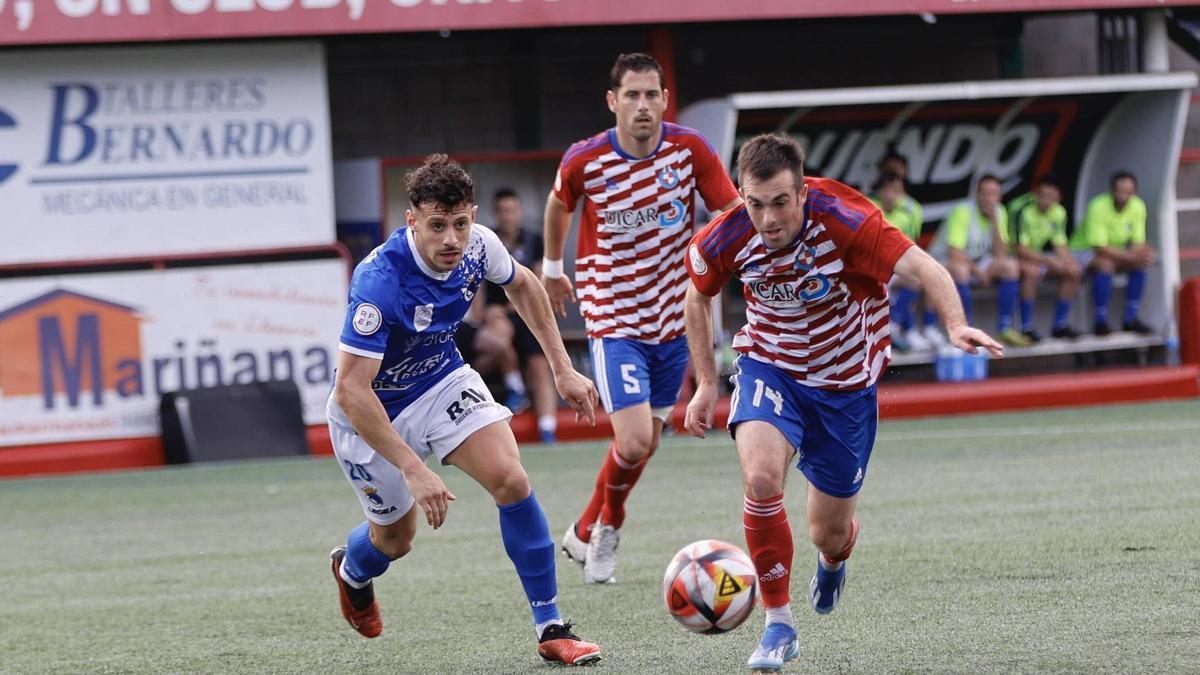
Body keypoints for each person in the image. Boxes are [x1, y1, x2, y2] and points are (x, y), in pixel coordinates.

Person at [683, 133, 1003, 672]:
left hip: (845, 386)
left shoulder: (847, 219)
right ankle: (779, 624)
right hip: (770, 366)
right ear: (742, 195)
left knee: (826, 532)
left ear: (803, 192)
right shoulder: (725, 235)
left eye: (781, 202)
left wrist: (955, 322)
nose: (768, 219)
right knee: (761, 481)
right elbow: (697, 295)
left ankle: (835, 557)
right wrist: (707, 383)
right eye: (755, 203)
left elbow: (925, 267)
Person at [326, 154, 602, 665]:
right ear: (412, 220)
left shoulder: (479, 245)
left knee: (512, 480)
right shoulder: (380, 280)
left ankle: (551, 626)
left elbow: (522, 284)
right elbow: (351, 391)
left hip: (441, 381)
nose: (451, 239)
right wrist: (412, 468)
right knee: (395, 541)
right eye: (437, 226)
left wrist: (562, 367)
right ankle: (353, 571)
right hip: (372, 415)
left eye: (460, 223)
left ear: (472, 216)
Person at [543, 52, 741, 584]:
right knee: (632, 441)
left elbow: (730, 211)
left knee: (645, 444)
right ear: (613, 102)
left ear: (664, 100)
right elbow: (559, 203)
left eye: (652, 94)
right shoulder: (586, 160)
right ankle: (610, 525)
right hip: (613, 314)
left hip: (675, 316)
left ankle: (586, 527)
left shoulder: (690, 149)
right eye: (632, 95)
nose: (643, 105)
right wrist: (551, 265)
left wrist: (729, 256)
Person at [482, 187, 559, 443]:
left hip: (525, 312)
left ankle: (548, 429)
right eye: (502, 211)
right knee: (498, 335)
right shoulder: (487, 239)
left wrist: (529, 308)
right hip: (497, 316)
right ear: (495, 213)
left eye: (512, 210)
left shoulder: (533, 239)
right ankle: (515, 386)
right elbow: (479, 285)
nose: (507, 216)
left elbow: (537, 281)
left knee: (540, 367)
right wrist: (482, 314)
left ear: (520, 212)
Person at [929, 174, 1031, 347]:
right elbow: (954, 253)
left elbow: (1001, 253)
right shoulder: (963, 211)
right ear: (977, 195)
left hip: (976, 263)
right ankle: (966, 328)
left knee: (1011, 267)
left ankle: (1004, 328)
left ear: (999, 196)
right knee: (962, 270)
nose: (989, 199)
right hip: (942, 261)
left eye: (993, 194)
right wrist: (979, 272)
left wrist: (995, 222)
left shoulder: (999, 211)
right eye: (985, 194)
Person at [1070, 170, 1157, 336]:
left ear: (1134, 192)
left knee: (1141, 262)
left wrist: (1139, 255)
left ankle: (1130, 319)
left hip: (1117, 253)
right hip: (1083, 250)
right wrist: (1130, 257)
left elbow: (1138, 242)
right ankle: (1100, 322)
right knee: (1106, 265)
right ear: (1111, 190)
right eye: (1120, 191)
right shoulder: (1098, 206)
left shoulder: (1138, 205)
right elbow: (1098, 246)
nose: (1124, 196)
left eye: (1128, 192)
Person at [1010, 174, 1083, 341]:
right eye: (1043, 196)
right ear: (1035, 194)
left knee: (1074, 270)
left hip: (1038, 255)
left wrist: (1065, 261)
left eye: (1051, 197)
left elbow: (1060, 244)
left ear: (1058, 197)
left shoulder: (1059, 212)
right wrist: (1050, 261)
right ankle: (1025, 327)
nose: (1046, 201)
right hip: (1012, 256)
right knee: (1033, 272)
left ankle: (1060, 325)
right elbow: (1020, 249)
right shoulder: (1021, 209)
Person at [871, 170, 931, 351]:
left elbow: (910, 250)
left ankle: (896, 328)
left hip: (893, 270)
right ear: (879, 192)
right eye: (887, 191)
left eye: (895, 191)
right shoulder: (870, 211)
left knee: (916, 279)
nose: (891, 195)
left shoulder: (907, 215)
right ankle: (900, 331)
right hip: (871, 270)